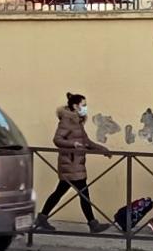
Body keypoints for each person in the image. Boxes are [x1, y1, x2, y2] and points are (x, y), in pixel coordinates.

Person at [36, 92, 111, 234]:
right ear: (76, 106)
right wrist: (73, 144)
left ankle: (42, 217)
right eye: (84, 105)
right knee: (83, 193)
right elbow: (57, 140)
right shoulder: (67, 121)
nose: (86, 108)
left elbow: (86, 142)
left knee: (60, 192)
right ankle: (93, 224)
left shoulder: (77, 122)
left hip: (75, 164)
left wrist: (102, 149)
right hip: (71, 163)